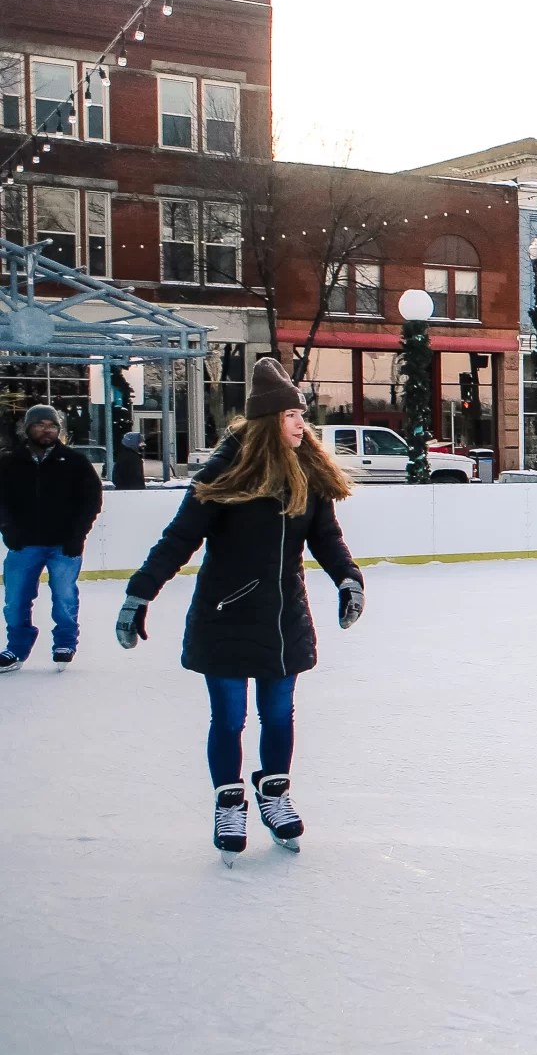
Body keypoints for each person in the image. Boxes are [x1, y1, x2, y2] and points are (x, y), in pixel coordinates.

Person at [116, 359, 364, 858]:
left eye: (302, 415)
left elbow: (326, 538)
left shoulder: (308, 473)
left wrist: (348, 578)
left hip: (282, 617)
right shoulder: (224, 472)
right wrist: (139, 593)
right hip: (225, 615)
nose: (302, 424)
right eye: (292, 415)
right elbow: (180, 538)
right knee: (229, 718)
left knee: (277, 715)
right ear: (269, 420)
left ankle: (274, 794)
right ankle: (228, 801)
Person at [1, 404, 105, 673]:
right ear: (28, 428)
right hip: (24, 545)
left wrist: (77, 535)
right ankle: (17, 647)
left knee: (64, 597)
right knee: (15, 600)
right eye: (40, 425)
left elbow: (91, 500)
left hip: (63, 545)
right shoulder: (10, 461)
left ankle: (65, 643)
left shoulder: (74, 461)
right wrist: (8, 530)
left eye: (52, 426)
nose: (46, 430)